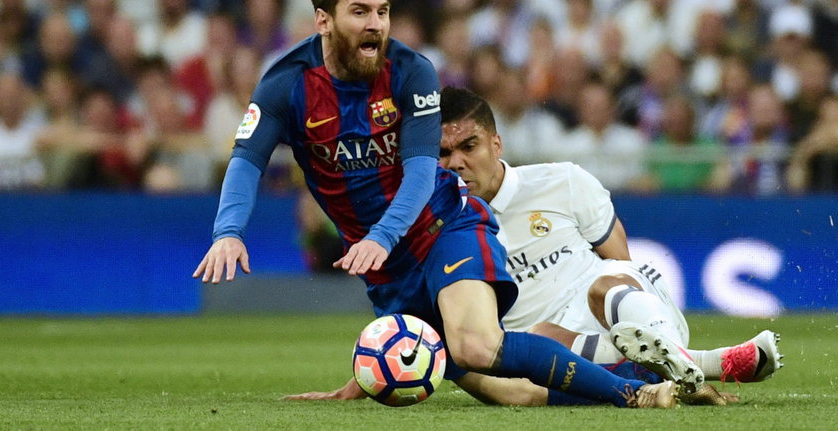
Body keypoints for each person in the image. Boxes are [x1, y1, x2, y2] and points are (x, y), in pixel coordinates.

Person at [193, 0, 677, 409]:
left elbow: (423, 170)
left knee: (475, 346)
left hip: (444, 229)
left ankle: (634, 396)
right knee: (510, 394)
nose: (375, 25)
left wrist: (382, 234)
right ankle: (639, 378)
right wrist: (228, 232)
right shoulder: (287, 83)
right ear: (324, 20)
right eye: (360, 12)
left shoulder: (410, 71)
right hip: (387, 266)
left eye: (382, 11)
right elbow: (247, 159)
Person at [288, 86, 782, 404]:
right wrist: (360, 382)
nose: (455, 162)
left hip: (619, 309)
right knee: (525, 369)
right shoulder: (433, 229)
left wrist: (631, 313)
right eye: (441, 153)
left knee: (611, 282)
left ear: (496, 145)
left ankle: (680, 359)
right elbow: (410, 317)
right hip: (545, 348)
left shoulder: (563, 181)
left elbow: (621, 261)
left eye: (469, 147)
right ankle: (693, 369)